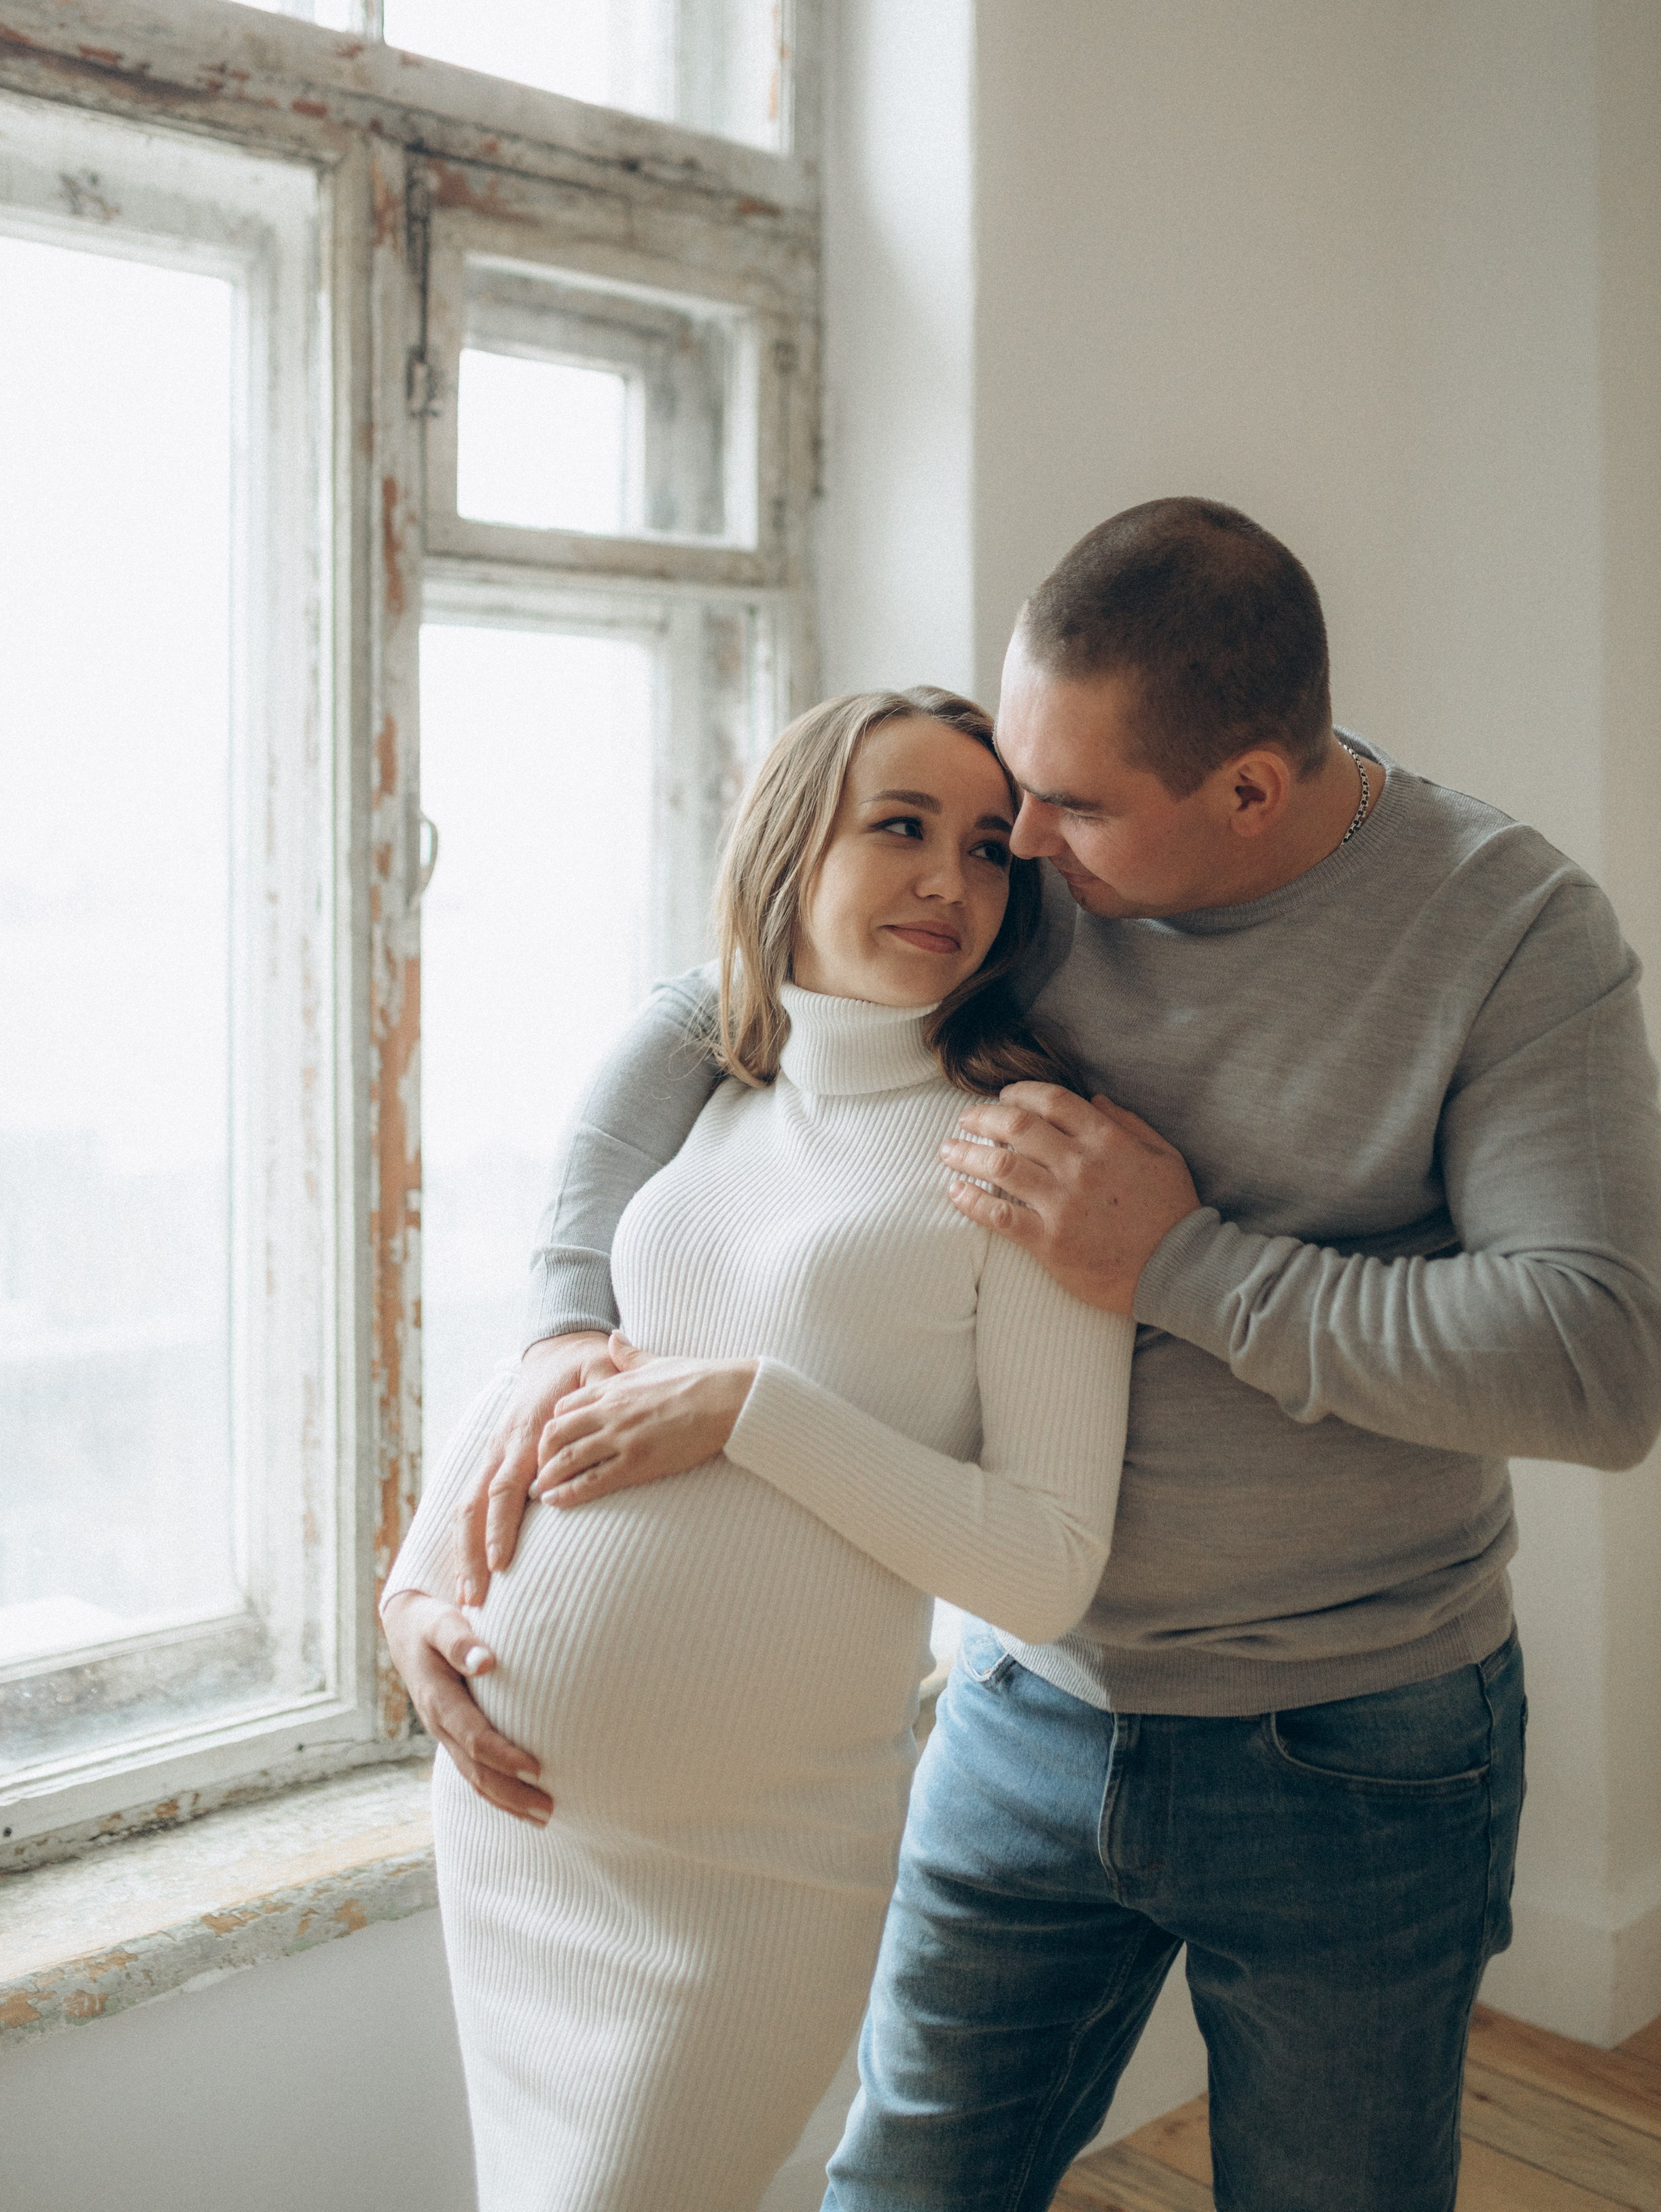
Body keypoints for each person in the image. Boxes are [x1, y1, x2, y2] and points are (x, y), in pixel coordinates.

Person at [388, 497, 1661, 2212]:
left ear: (1247, 791)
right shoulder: (1033, 879)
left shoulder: (1501, 927)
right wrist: (567, 1321)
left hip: (1351, 1737)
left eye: (1066, 809)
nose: (1017, 846)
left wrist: (1178, 1265)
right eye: (1012, 793)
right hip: (1023, 1712)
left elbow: (1592, 1365)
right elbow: (710, 1003)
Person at [382, 686, 1137, 2212]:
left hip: (758, 1867)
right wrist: (412, 1589)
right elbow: (564, 1364)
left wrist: (752, 1410)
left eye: (988, 849)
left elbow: (1045, 1566)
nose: (949, 879)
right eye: (901, 827)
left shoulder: (1024, 1147)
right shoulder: (713, 1094)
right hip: (525, 1836)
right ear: (793, 846)